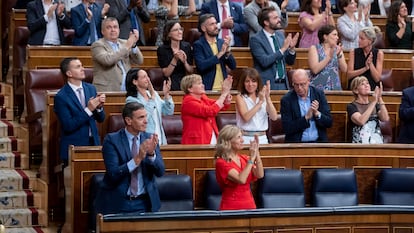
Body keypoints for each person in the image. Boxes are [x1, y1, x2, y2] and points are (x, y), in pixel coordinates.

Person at [94, 102, 165, 215]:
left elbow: (160, 172)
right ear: (128, 120)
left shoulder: (149, 138)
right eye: (141, 117)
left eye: (146, 116)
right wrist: (137, 159)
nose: (146, 121)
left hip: (145, 203)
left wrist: (151, 155)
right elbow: (113, 174)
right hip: (119, 203)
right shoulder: (112, 140)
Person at [54, 57, 106, 166]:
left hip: (94, 143)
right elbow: (68, 125)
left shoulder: (91, 88)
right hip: (74, 146)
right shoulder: (61, 97)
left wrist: (99, 108)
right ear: (69, 73)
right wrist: (89, 109)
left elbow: (101, 119)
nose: (83, 69)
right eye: (78, 67)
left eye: (82, 66)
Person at [214, 125, 264, 210]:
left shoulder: (244, 159)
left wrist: (257, 154)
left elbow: (260, 175)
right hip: (232, 207)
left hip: (250, 205)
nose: (242, 140)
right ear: (228, 141)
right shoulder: (221, 162)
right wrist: (252, 159)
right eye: (238, 137)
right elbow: (241, 179)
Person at [249, 7, 299, 90]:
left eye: (278, 17)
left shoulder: (280, 36)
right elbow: (264, 61)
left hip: (283, 84)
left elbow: (290, 62)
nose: (279, 20)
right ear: (266, 22)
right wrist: (282, 49)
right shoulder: (256, 39)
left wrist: (291, 49)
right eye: (275, 18)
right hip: (267, 85)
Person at [91, 17, 144, 92]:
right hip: (107, 91)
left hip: (127, 90)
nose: (113, 30)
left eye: (115, 27)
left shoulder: (124, 43)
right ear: (102, 31)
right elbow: (107, 60)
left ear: (119, 30)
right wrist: (127, 46)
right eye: (109, 27)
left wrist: (133, 45)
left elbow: (139, 61)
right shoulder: (97, 45)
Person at [280, 69, 333, 143]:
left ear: (309, 81)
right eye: (296, 84)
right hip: (297, 145)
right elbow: (287, 128)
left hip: (318, 143)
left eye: (302, 84)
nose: (299, 88)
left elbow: (329, 122)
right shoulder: (287, 100)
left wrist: (317, 114)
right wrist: (306, 118)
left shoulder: (318, 94)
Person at [125, 68, 174, 145]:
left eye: (147, 76)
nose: (148, 79)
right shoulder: (131, 100)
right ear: (135, 81)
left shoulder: (153, 94)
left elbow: (168, 112)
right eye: (144, 77)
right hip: (144, 141)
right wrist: (152, 98)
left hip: (160, 139)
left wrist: (166, 95)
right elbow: (143, 117)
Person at [180, 74, 232, 144]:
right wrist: (223, 94)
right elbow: (210, 111)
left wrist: (226, 96)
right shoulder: (188, 102)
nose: (203, 85)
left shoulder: (203, 98)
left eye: (202, 83)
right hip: (196, 141)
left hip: (210, 136)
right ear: (190, 89)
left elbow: (218, 105)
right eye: (199, 83)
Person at [193, 14, 237, 91]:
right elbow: (201, 66)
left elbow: (233, 66)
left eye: (216, 23)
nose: (216, 26)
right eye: (212, 24)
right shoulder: (199, 45)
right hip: (208, 88)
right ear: (203, 28)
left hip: (223, 88)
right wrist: (220, 54)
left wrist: (227, 52)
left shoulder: (221, 42)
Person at [235, 68, 278, 144]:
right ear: (243, 83)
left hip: (262, 138)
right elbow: (246, 117)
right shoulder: (240, 97)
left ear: (258, 83)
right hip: (245, 138)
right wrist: (260, 103)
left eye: (253, 81)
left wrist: (267, 98)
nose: (250, 84)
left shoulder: (262, 96)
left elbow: (274, 117)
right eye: (247, 81)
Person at [347, 76, 389, 143]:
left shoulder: (375, 105)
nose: (366, 86)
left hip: (377, 142)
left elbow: (385, 118)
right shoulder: (351, 106)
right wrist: (374, 101)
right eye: (362, 84)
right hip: (359, 144)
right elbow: (361, 121)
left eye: (367, 83)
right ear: (356, 90)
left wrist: (380, 98)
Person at [157, 20, 194, 91]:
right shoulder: (162, 49)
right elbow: (166, 73)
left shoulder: (187, 46)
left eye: (180, 29)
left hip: (185, 81)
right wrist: (175, 59)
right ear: (169, 34)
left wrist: (185, 62)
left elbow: (191, 71)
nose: (179, 32)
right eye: (175, 30)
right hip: (170, 82)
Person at [308, 25, 347, 90]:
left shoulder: (337, 49)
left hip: (335, 86)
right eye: (334, 35)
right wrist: (329, 57)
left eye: (337, 35)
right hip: (318, 87)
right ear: (325, 37)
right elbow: (315, 70)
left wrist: (339, 54)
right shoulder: (314, 48)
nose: (337, 37)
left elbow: (344, 69)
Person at [346, 26, 383, 91]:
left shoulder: (379, 53)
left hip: (371, 88)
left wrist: (370, 64)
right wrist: (365, 68)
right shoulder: (353, 52)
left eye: (362, 39)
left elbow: (377, 78)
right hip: (355, 88)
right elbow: (349, 75)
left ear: (370, 41)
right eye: (359, 38)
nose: (359, 41)